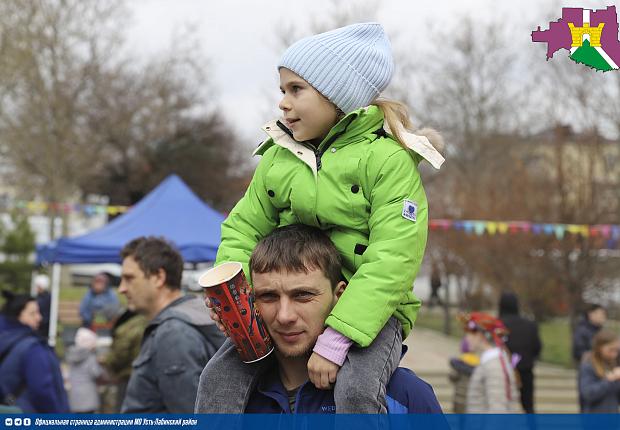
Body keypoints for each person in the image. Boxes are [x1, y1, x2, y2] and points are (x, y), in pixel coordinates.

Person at [200, 22, 445, 414]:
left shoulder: (387, 161)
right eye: (282, 90)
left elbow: (394, 257)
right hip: (299, 297)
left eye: (296, 89)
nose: (283, 102)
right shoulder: (277, 158)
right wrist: (236, 297)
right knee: (217, 378)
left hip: (372, 314)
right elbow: (244, 227)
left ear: (337, 95)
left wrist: (338, 338)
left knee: (355, 392)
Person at [196, 225, 443, 414]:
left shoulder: (402, 395)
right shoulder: (227, 399)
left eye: (302, 296)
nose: (284, 316)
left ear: (340, 296)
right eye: (268, 296)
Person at [118, 236, 225, 413]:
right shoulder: (190, 315)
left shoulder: (173, 334)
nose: (122, 288)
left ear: (159, 277)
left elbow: (189, 416)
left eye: (129, 278)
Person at [0, 291, 69, 413]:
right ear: (18, 316)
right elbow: (42, 390)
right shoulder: (32, 348)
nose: (39, 318)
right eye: (33, 313)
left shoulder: (6, 341)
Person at [462, 312, 519, 413]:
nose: (466, 339)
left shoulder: (494, 366)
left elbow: (498, 412)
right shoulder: (492, 362)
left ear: (480, 335)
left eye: (469, 334)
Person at [498, 291, 542, 413]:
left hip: (503, 372)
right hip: (526, 370)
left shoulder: (497, 325)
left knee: (502, 406)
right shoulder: (530, 325)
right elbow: (537, 347)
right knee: (529, 407)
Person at [103, 309, 148, 412]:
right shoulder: (143, 321)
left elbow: (119, 355)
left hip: (127, 376)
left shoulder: (125, 329)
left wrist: (107, 361)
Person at [579, 330, 620, 413]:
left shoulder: (612, 365)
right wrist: (609, 379)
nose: (614, 354)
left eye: (617, 350)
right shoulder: (588, 366)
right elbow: (588, 394)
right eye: (611, 350)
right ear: (600, 347)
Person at [66, 327, 104, 413]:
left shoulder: (72, 356)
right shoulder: (90, 357)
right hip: (89, 397)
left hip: (75, 397)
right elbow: (97, 373)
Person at [33, 274, 51, 339]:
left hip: (44, 324)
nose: (36, 288)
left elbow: (40, 309)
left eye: (37, 286)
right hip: (42, 323)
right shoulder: (40, 296)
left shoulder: (45, 297)